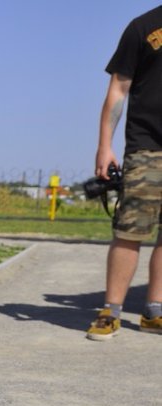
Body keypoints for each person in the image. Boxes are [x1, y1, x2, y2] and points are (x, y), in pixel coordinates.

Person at [87, 7, 162, 340]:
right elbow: (118, 88)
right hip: (147, 146)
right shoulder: (143, 27)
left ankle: (154, 311)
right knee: (130, 231)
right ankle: (111, 312)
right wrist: (105, 146)